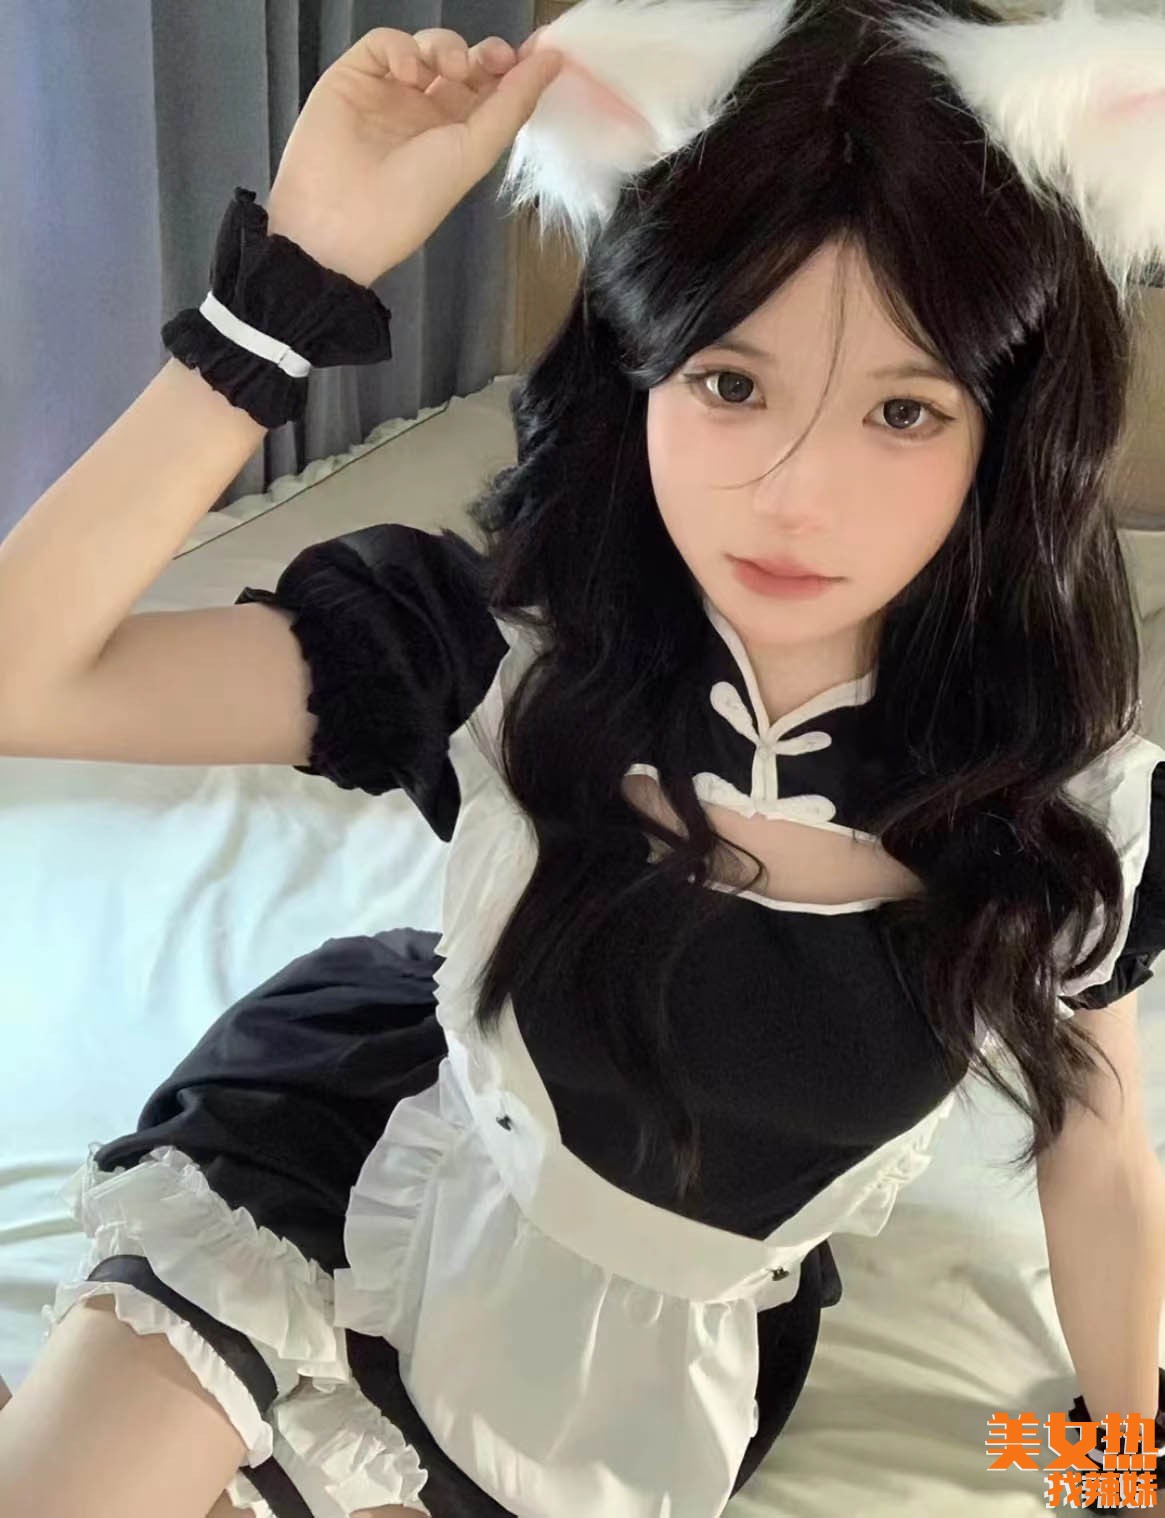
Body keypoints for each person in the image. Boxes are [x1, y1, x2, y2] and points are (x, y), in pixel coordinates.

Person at [1, 1, 1164, 1515]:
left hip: (644, 1381)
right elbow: (26, 678)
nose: (795, 494)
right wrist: (293, 283)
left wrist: (1125, 1456)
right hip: (343, 1159)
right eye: (730, 384)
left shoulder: (1064, 809)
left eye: (902, 409)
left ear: (1003, 435)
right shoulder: (496, 658)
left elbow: (1100, 1154)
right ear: (640, 373)